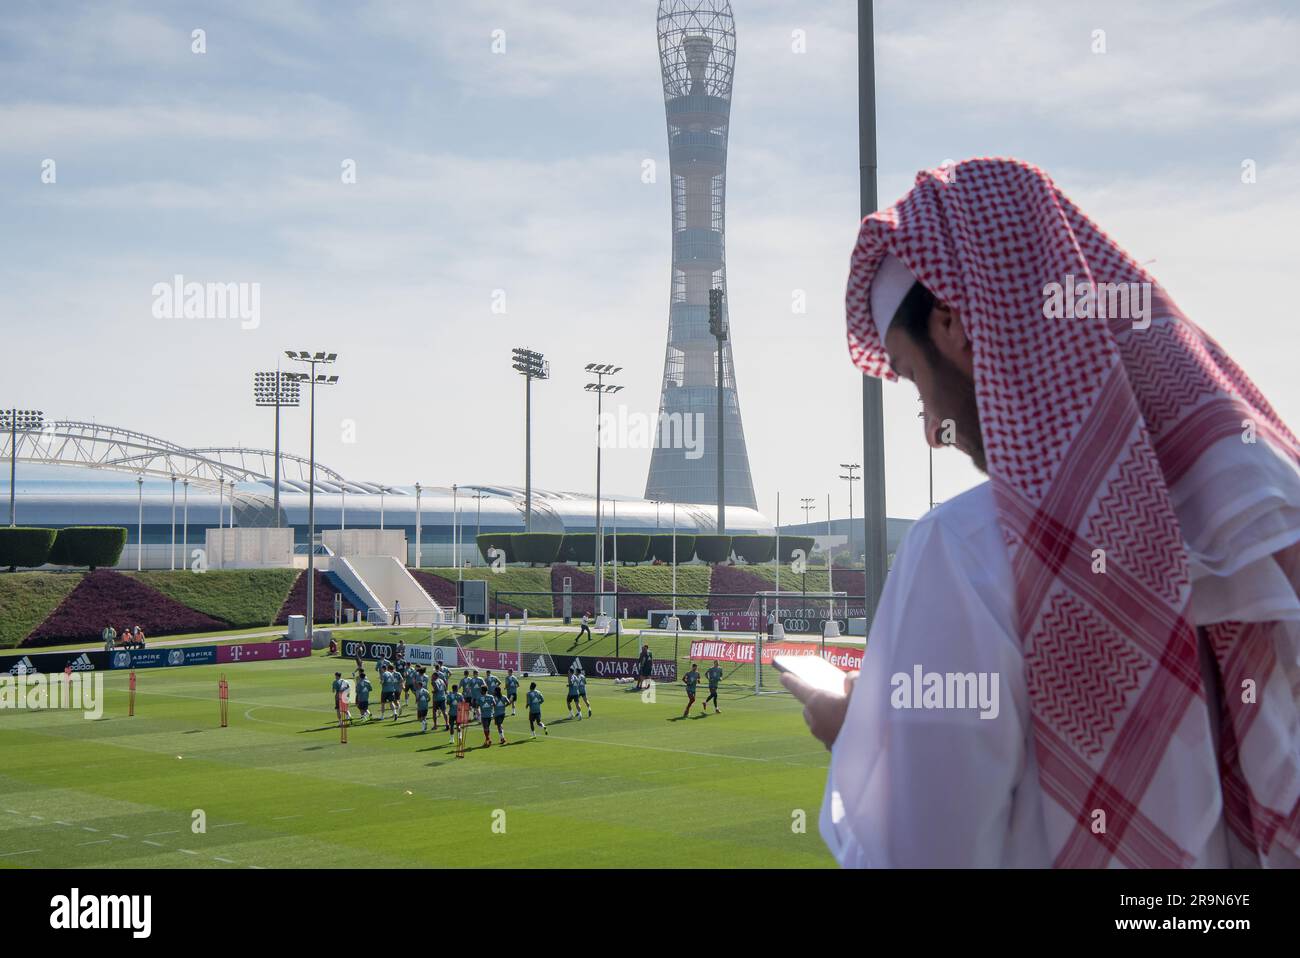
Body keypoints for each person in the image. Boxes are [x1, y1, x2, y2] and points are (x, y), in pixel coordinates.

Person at [784, 156, 1300, 868]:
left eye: (913, 383)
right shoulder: (1258, 523)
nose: (928, 424)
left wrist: (860, 739)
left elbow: (923, 855)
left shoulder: (966, 553)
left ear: (956, 327)